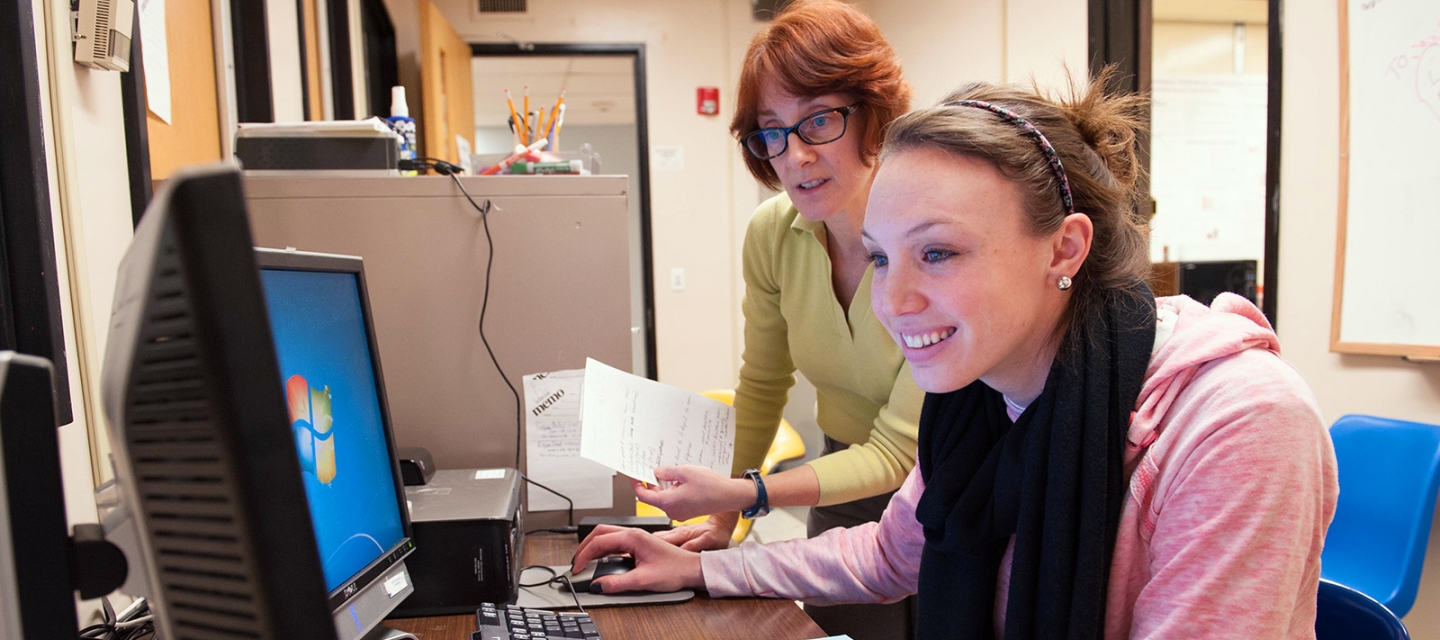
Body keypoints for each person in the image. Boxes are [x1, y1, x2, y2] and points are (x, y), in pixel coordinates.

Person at [574, 72, 1339, 639]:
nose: (893, 303)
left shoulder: (1238, 423)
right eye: (881, 258)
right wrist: (697, 569)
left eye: (937, 253)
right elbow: (888, 555)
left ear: (1064, 248)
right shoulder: (981, 398)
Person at [631, 2, 920, 637]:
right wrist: (722, 515)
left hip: (946, 491)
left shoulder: (925, 237)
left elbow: (901, 452)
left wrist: (743, 494)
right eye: (772, 131)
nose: (793, 156)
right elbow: (763, 383)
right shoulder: (773, 233)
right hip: (837, 484)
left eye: (818, 121)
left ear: (874, 112)